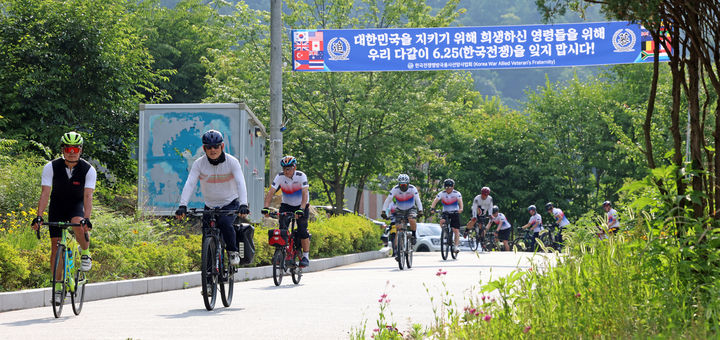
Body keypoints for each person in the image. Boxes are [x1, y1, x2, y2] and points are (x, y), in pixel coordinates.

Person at [31, 131, 95, 305]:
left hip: (76, 206)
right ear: (63, 149)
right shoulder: (51, 167)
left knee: (77, 223)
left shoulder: (88, 169)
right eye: (68, 148)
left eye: (75, 148)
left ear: (80, 150)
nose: (71, 151)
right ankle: (58, 289)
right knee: (55, 248)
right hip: (57, 207)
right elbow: (45, 193)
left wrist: (86, 218)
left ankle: (85, 253)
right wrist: (39, 216)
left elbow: (88, 196)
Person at [175, 130, 250, 269]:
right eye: (209, 147)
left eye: (216, 146)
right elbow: (190, 183)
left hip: (230, 203)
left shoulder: (232, 162)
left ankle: (232, 251)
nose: (213, 150)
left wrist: (243, 204)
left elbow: (240, 183)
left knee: (225, 224)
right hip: (209, 205)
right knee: (206, 235)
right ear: (204, 148)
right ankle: (209, 276)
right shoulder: (199, 164)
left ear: (222, 146)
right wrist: (182, 205)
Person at [262, 155, 311, 267]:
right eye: (284, 168)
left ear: (294, 167)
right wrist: (266, 207)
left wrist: (301, 209)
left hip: (301, 205)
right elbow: (271, 192)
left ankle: (306, 257)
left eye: (288, 168)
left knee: (302, 230)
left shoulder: (301, 176)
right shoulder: (280, 176)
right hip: (286, 205)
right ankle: (281, 253)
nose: (285, 171)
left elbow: (305, 193)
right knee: (282, 230)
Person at [386, 174, 423, 258]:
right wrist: (384, 211)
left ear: (408, 183)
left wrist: (420, 210)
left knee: (412, 219)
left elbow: (418, 200)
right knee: (398, 230)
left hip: (411, 208)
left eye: (405, 184)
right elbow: (388, 200)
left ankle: (413, 234)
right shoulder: (395, 189)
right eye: (401, 184)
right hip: (400, 210)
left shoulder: (412, 188)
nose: (403, 186)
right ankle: (398, 250)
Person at [429, 178, 463, 254]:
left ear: (453, 187)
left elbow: (460, 202)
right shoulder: (442, 193)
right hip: (446, 212)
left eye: (449, 187)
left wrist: (461, 209)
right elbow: (435, 200)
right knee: (442, 221)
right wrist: (432, 208)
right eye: (446, 187)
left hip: (455, 212)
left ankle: (456, 246)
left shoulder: (457, 193)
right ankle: (445, 232)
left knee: (456, 230)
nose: (448, 189)